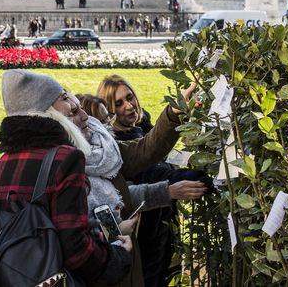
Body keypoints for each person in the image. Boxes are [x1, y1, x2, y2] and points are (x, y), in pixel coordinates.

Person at [0, 70, 133, 286]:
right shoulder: (65, 158)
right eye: (66, 102)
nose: (83, 115)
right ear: (46, 112)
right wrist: (117, 257)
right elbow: (76, 252)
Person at [71, 94, 208, 287]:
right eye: (74, 111)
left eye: (105, 118)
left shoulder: (106, 150)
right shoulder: (68, 165)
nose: (94, 122)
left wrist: (174, 112)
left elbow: (146, 150)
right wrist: (115, 229)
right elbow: (75, 230)